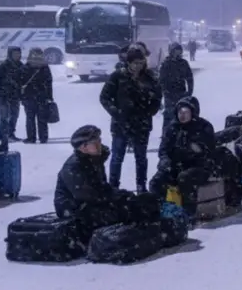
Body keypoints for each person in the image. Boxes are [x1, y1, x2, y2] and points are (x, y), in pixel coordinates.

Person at [54, 125, 158, 229]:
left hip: (91, 204)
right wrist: (118, 199)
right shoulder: (73, 167)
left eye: (99, 141)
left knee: (139, 203)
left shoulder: (94, 160)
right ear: (83, 147)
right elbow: (89, 195)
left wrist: (124, 196)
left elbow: (102, 187)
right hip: (74, 210)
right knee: (124, 212)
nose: (99, 144)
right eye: (95, 143)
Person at [99, 47, 163, 192]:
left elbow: (157, 97)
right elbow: (104, 97)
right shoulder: (118, 76)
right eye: (135, 63)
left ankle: (141, 186)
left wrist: (150, 111)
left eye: (141, 62)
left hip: (142, 124)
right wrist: (116, 112)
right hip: (121, 124)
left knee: (141, 158)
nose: (138, 66)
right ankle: (113, 186)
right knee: (117, 157)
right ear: (128, 63)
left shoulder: (150, 77)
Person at [149, 96, 217, 219]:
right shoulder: (172, 128)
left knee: (184, 178)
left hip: (200, 167)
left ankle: (188, 213)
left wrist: (196, 150)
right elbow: (163, 149)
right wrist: (165, 161)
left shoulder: (204, 127)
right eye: (180, 112)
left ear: (193, 112)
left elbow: (209, 151)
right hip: (176, 165)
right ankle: (159, 211)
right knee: (157, 181)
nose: (182, 115)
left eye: (186, 112)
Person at [20, 47, 54, 144]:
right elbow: (48, 83)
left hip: (29, 96)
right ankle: (43, 137)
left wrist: (22, 97)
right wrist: (49, 96)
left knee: (30, 118)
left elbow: (21, 83)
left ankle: (31, 137)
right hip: (41, 96)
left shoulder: (26, 67)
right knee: (41, 118)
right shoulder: (44, 67)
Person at [159, 42, 195, 135]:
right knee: (169, 115)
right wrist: (164, 92)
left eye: (179, 50)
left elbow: (189, 77)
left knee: (182, 114)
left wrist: (189, 91)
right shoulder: (166, 64)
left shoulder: (183, 63)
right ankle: (166, 134)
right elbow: (161, 80)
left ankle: (181, 134)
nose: (178, 52)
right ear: (171, 51)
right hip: (169, 94)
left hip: (181, 92)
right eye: (176, 50)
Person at [0, 45, 24, 143]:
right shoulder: (2, 66)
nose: (17, 55)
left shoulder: (20, 65)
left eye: (19, 53)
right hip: (3, 95)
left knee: (14, 116)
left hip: (15, 95)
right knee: (4, 117)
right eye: (15, 54)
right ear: (10, 54)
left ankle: (11, 134)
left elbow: (23, 80)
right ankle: (3, 135)